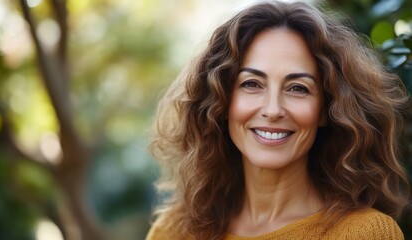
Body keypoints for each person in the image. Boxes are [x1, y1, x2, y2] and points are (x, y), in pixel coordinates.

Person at [146, 1, 410, 239]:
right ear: (221, 101)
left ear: (326, 110)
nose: (273, 110)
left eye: (298, 88)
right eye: (251, 84)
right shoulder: (174, 231)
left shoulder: (364, 234)